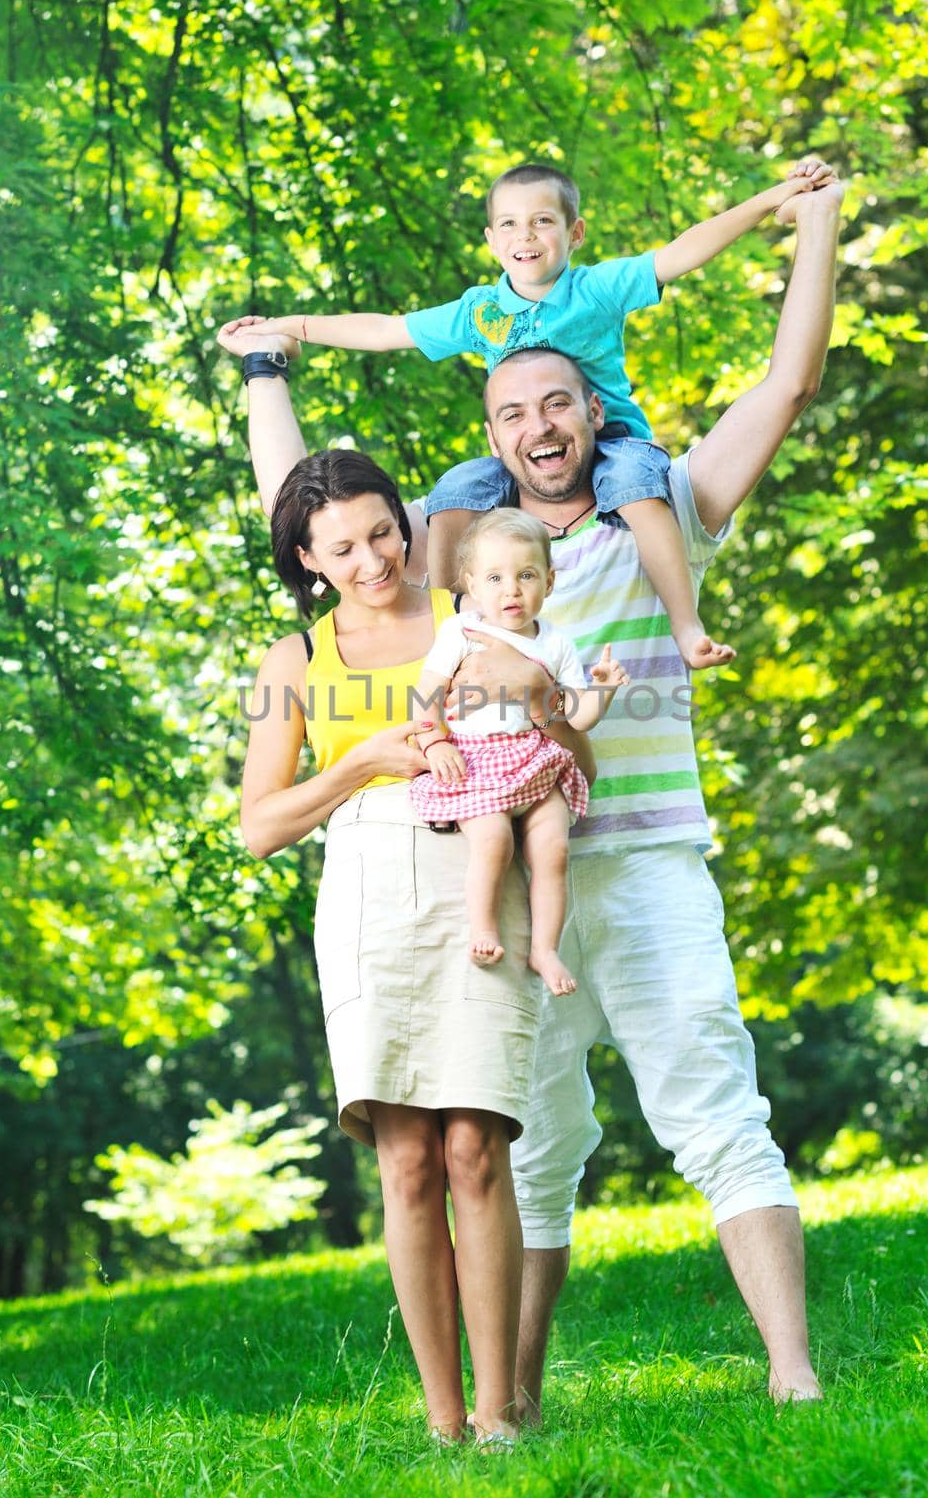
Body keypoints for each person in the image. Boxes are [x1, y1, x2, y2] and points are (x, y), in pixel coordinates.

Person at [218, 165, 844, 1412]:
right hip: (496, 886)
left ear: (592, 410)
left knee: (717, 1111)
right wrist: (265, 372)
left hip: (648, 862)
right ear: (492, 433)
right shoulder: (471, 566)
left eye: (561, 402)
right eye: (514, 411)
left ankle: (794, 1376)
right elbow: (321, 529)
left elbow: (786, 384)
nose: (539, 425)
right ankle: (514, 1408)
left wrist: (810, 221)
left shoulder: (662, 504)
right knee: (523, 1152)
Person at [236, 435, 592, 1445]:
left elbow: (574, 753)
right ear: (308, 558)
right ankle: (444, 1421)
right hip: (366, 888)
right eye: (341, 549)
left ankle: (501, 1413)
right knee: (406, 1161)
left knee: (477, 1144)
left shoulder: (474, 614)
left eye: (383, 533)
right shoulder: (294, 660)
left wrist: (548, 713)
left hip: (482, 876)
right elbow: (259, 825)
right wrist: (365, 761)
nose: (371, 561)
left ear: (407, 522)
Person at [253, 155, 831, 669]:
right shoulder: (481, 312)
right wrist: (281, 333)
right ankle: (460, 643)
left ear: (574, 232)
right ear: (489, 238)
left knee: (633, 484)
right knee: (457, 486)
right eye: (509, 223)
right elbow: (384, 333)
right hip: (496, 769)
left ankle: (686, 622)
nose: (525, 236)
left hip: (622, 451)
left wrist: (777, 200)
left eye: (542, 222)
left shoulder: (596, 290)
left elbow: (686, 255)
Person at [409, 508, 629, 995]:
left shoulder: (556, 644)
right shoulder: (460, 632)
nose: (511, 590)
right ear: (471, 584)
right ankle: (483, 927)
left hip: (535, 760)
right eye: (495, 578)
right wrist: (434, 739)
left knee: (553, 850)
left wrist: (604, 690)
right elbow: (425, 693)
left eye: (526, 575)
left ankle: (544, 948)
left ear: (548, 582)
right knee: (494, 842)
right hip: (475, 760)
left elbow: (574, 717)